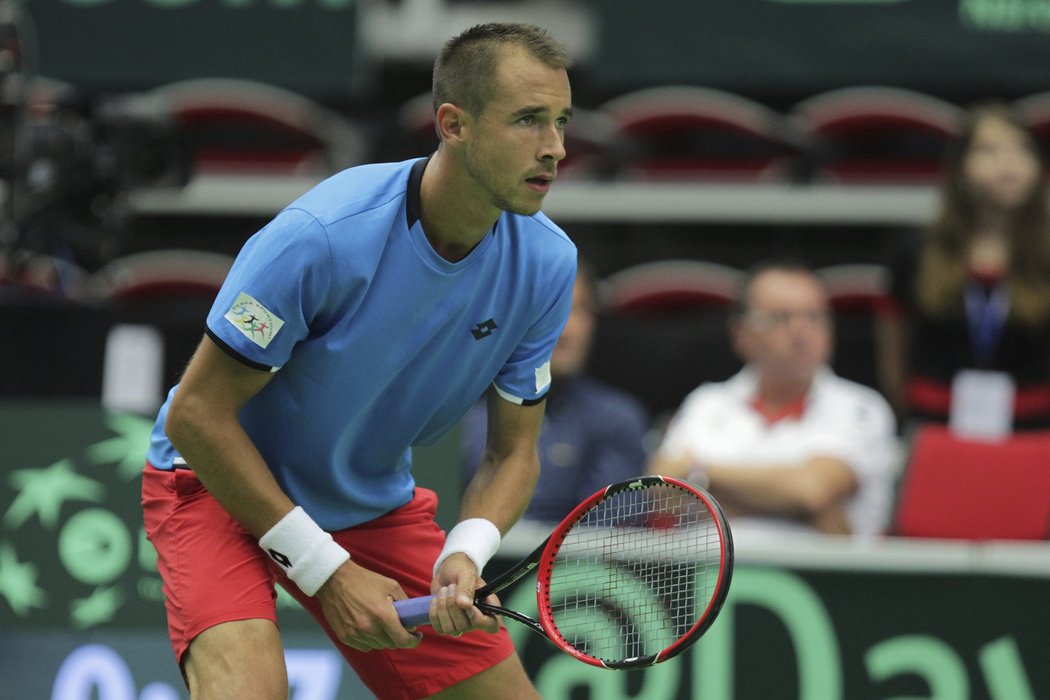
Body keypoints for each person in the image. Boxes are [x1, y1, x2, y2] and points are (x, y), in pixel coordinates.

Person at [140, 23, 576, 700]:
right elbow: (198, 414)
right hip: (217, 482)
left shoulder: (547, 264)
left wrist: (465, 552)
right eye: (527, 121)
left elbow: (511, 454)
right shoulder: (321, 240)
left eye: (560, 121)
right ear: (452, 124)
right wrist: (323, 569)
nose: (555, 148)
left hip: (364, 499)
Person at [647, 260, 897, 537]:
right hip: (709, 575)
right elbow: (662, 492)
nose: (801, 333)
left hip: (816, 577)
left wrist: (699, 474)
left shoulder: (862, 407)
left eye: (814, 317)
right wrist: (793, 508)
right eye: (781, 318)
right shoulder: (706, 402)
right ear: (740, 334)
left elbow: (812, 490)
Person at [877, 101, 1050, 431]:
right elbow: (893, 359)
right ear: (960, 168)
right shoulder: (914, 252)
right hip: (936, 424)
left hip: (1035, 429)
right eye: (989, 150)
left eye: (1021, 149)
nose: (1008, 162)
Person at [461, 259, 649, 523]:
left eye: (579, 310)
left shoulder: (617, 418)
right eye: (554, 310)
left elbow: (606, 538)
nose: (567, 330)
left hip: (570, 564)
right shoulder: (460, 412)